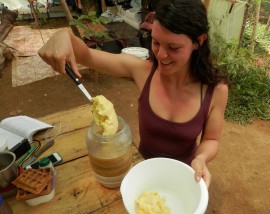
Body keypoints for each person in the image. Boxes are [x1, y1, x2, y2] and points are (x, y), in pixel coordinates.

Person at [38, 0, 228, 188]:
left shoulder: (215, 90)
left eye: (173, 48)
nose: (161, 55)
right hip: (142, 172)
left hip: (185, 177)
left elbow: (211, 139)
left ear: (198, 42)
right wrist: (63, 35)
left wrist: (201, 158)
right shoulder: (142, 71)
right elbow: (87, 56)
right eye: (155, 42)